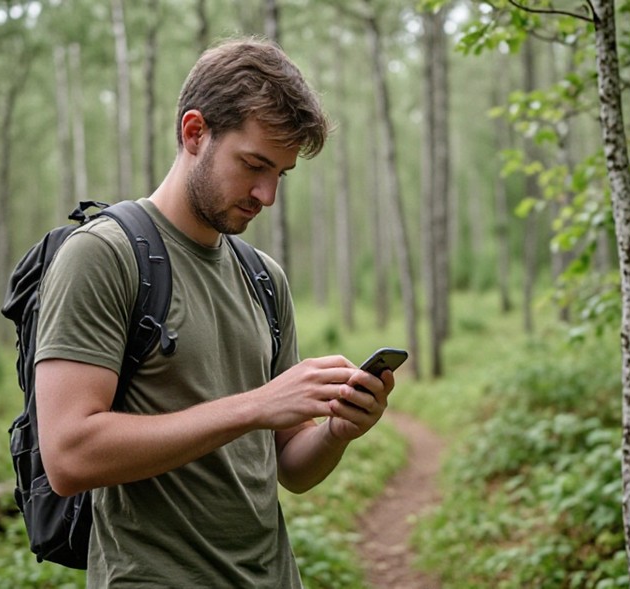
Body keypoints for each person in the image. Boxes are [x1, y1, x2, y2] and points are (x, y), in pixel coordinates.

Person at [34, 38, 396, 588]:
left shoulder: (263, 278)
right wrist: (256, 405)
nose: (267, 194)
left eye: (281, 173)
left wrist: (336, 433)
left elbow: (291, 467)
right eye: (254, 165)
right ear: (195, 132)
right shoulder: (102, 256)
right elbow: (68, 456)